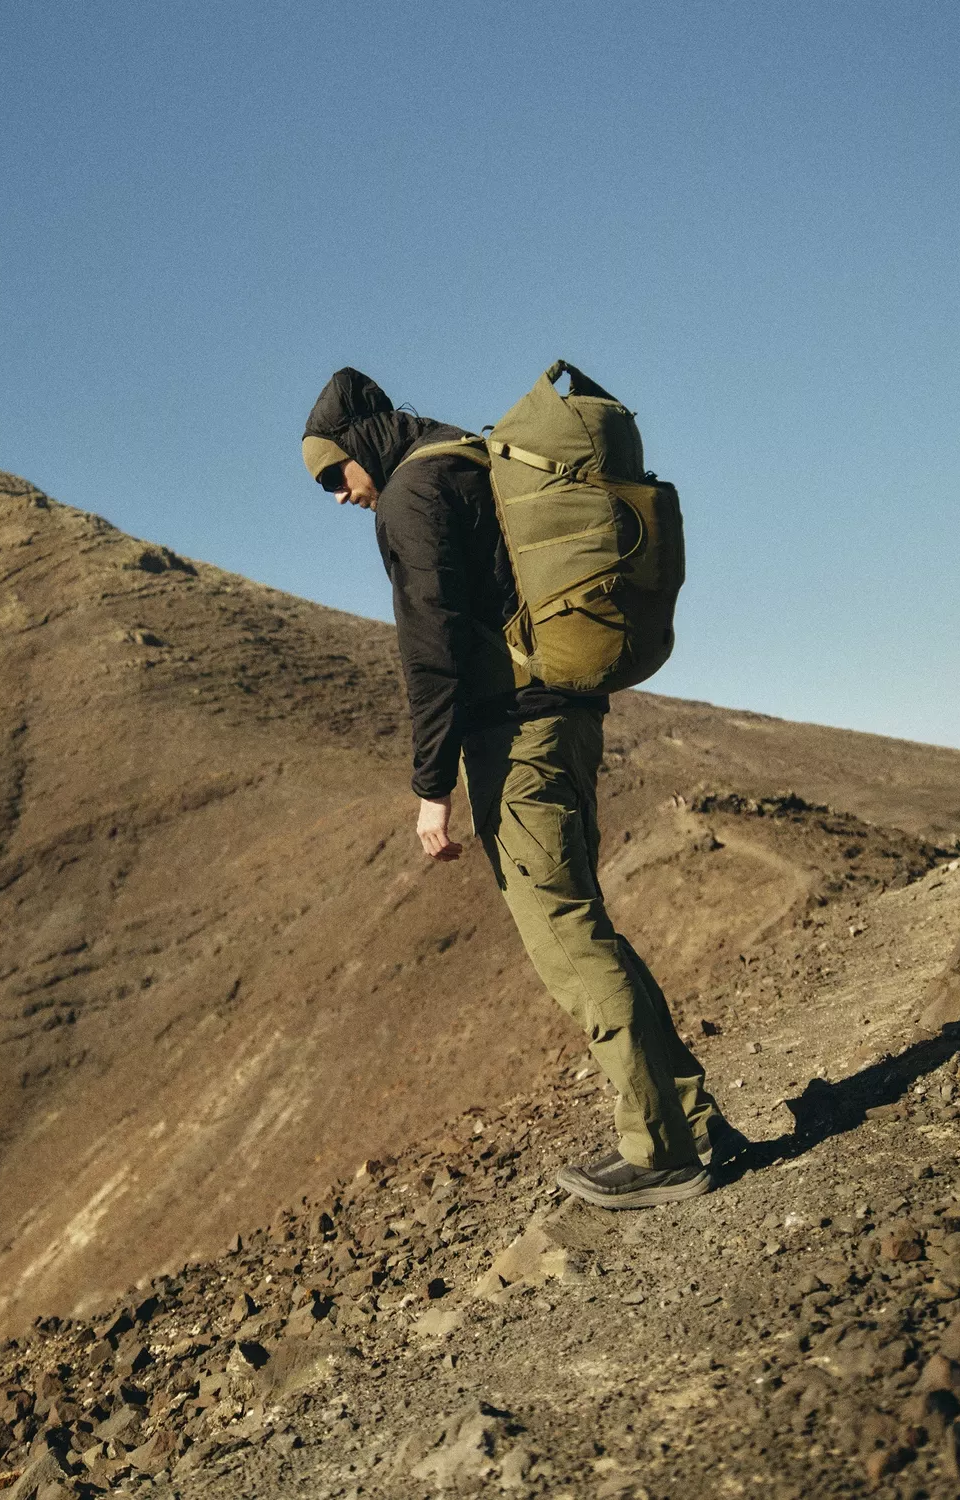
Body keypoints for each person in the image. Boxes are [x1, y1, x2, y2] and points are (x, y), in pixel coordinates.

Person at [302, 367, 739, 1209]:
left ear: (361, 444)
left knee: (567, 936)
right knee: (586, 920)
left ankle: (663, 1151)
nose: (336, 495)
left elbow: (430, 645)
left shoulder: (410, 495)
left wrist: (433, 786)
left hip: (517, 737)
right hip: (568, 716)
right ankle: (693, 1125)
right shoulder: (470, 462)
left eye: (334, 473)